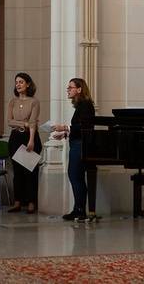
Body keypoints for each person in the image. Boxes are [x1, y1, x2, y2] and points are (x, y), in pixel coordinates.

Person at [52, 78, 95, 221]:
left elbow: (85, 126)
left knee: (75, 176)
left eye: (70, 87)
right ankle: (78, 208)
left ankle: (80, 210)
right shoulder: (81, 105)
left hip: (80, 145)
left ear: (79, 89)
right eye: (68, 87)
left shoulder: (86, 104)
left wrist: (65, 127)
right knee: (75, 176)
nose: (68, 90)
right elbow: (79, 127)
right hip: (77, 143)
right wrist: (65, 134)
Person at [7, 72, 41, 214]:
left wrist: (31, 140)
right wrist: (24, 123)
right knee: (18, 172)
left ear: (28, 84)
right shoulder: (12, 101)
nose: (18, 84)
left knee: (30, 171)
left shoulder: (34, 102)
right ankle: (17, 202)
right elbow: (9, 122)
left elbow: (33, 123)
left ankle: (32, 202)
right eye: (16, 82)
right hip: (15, 138)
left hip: (29, 137)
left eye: (21, 82)